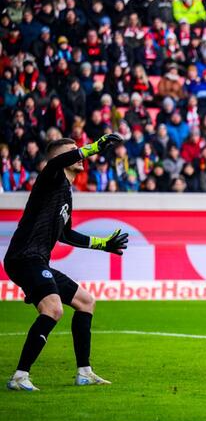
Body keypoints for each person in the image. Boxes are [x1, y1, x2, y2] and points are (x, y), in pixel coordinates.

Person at [5, 135, 129, 391]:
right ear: (60, 158)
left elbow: (67, 234)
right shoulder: (50, 177)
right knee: (53, 309)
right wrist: (93, 147)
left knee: (86, 302)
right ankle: (19, 376)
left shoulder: (66, 194)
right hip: (23, 257)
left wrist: (103, 244)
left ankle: (84, 372)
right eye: (72, 151)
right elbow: (56, 163)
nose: (79, 154)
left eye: (79, 149)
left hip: (39, 260)